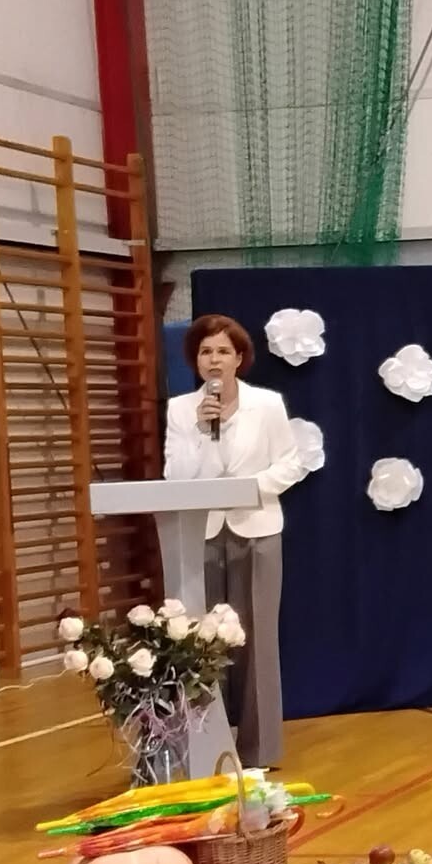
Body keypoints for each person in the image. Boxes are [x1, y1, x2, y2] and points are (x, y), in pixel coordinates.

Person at [163, 314, 306, 769]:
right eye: (206, 351)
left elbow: (291, 464)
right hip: (202, 531)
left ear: (239, 359)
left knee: (257, 639)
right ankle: (209, 747)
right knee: (203, 639)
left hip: (256, 528)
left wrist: (251, 489)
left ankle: (260, 750)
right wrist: (202, 433)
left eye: (223, 351)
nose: (214, 360)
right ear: (195, 361)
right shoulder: (181, 410)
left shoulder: (266, 404)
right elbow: (175, 476)